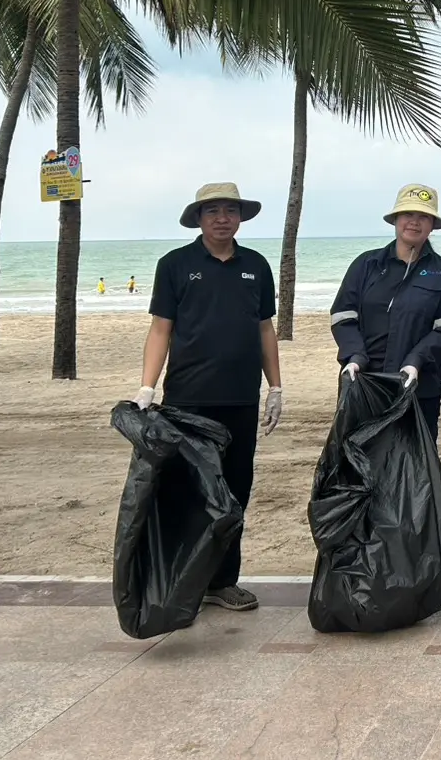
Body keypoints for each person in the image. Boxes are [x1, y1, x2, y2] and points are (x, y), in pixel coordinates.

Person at [134, 182, 282, 612]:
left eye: (230, 210)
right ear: (198, 218)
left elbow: (264, 329)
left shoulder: (255, 265)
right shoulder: (175, 264)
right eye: (213, 210)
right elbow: (161, 329)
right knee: (188, 491)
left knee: (235, 490)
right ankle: (184, 582)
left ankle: (223, 581)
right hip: (187, 400)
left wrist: (275, 386)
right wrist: (147, 386)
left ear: (240, 218)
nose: (222, 218)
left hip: (240, 399)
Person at [331, 184, 441, 441]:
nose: (414, 222)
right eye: (408, 215)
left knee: (414, 472)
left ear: (433, 224)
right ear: (395, 220)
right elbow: (343, 316)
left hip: (418, 388)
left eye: (423, 216)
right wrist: (355, 356)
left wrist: (415, 360)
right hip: (365, 385)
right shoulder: (366, 265)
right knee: (360, 467)